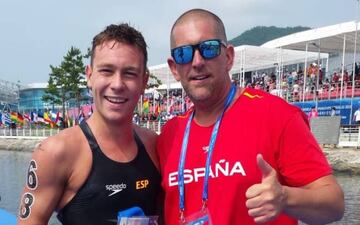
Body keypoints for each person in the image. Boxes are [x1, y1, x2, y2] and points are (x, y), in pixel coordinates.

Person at [157, 8, 344, 225]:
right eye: (184, 53)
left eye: (209, 49)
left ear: (228, 57)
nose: (197, 61)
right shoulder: (169, 135)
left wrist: (285, 197)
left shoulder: (277, 115)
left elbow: (335, 205)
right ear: (174, 68)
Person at [17, 23, 161, 225]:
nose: (117, 84)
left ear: (144, 81)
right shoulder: (56, 152)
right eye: (107, 71)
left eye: (129, 73)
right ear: (89, 75)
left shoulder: (155, 145)